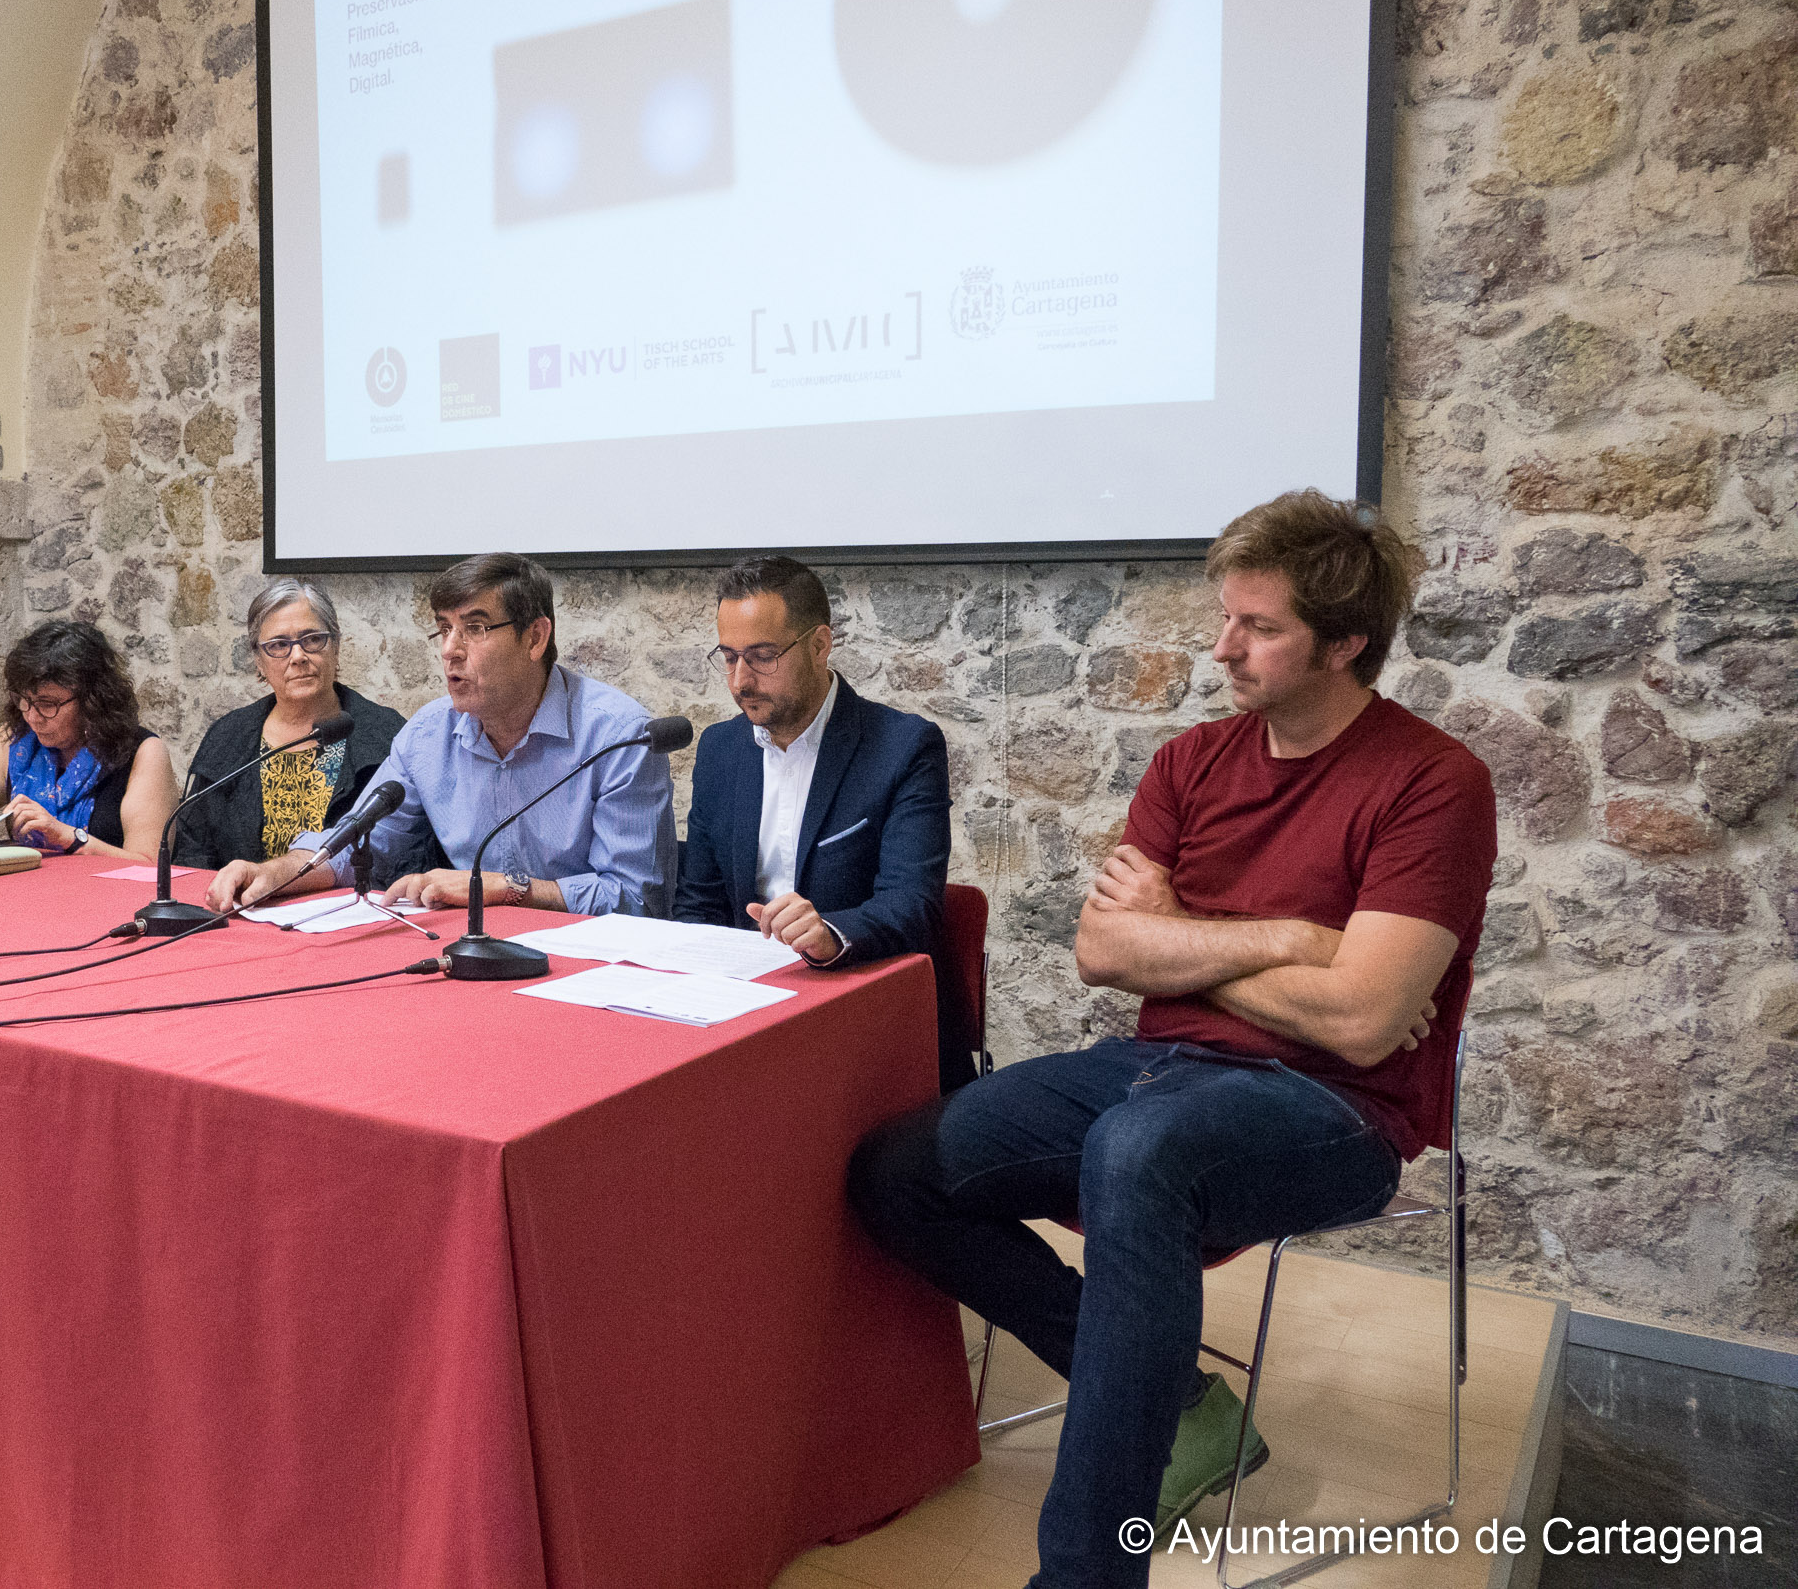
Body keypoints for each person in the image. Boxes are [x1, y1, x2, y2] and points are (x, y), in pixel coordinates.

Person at [846, 490, 1498, 1589]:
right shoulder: (1191, 762)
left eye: (1258, 627)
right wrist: (1296, 938)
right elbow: (1103, 950)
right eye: (1225, 616)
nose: (1221, 646)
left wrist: (1181, 934)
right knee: (892, 1170)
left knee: (1141, 1151)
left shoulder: (1433, 783)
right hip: (1151, 1070)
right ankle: (1176, 1395)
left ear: (1345, 643)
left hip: (1334, 1110)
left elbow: (1363, 1020)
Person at [203, 552, 677, 916]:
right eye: (444, 629)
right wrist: (273, 873)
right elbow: (360, 845)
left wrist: (506, 888)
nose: (450, 650)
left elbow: (636, 898)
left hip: (586, 968)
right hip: (469, 956)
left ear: (535, 638)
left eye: (475, 628)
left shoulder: (620, 736)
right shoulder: (429, 734)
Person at [674, 553, 949, 971]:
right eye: (730, 657)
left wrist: (830, 933)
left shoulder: (903, 747)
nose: (740, 681)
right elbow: (699, 904)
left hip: (848, 984)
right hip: (735, 989)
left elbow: (911, 906)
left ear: (820, 645)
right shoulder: (720, 749)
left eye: (763, 656)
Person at [172, 579, 443, 875]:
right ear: (258, 661)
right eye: (278, 646)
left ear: (336, 647)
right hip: (241, 909)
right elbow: (192, 855)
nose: (298, 656)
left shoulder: (386, 735)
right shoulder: (227, 738)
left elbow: (412, 852)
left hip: (349, 911)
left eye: (312, 639)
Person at [0, 619, 177, 859]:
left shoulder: (143, 753)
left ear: (92, 701)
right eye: (24, 700)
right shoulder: (17, 741)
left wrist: (68, 838)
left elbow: (150, 866)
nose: (33, 717)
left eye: (48, 704)